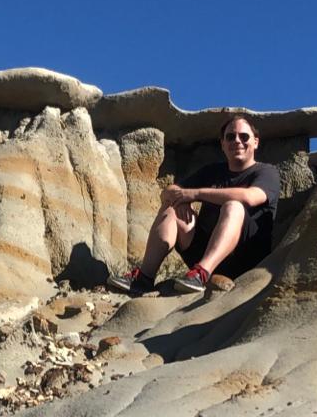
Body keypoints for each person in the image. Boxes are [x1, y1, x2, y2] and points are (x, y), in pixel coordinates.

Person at [109, 113, 281, 295]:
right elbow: (168, 191)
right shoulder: (212, 172)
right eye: (230, 137)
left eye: (244, 136)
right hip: (203, 251)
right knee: (171, 208)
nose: (237, 141)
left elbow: (250, 197)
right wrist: (178, 199)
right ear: (222, 144)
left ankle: (201, 273)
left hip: (246, 260)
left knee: (233, 206)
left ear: (255, 142)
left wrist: (194, 194)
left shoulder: (266, 172)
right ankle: (144, 278)